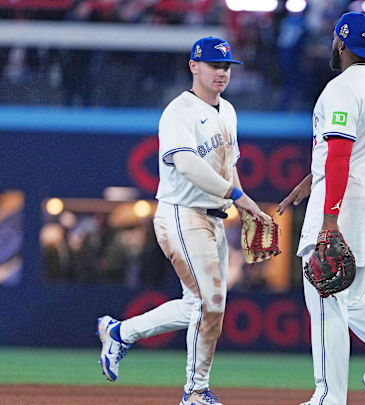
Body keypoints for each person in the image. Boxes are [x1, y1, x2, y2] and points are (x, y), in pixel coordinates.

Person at [96, 36, 268, 405]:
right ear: (194, 66)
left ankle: (119, 332)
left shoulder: (229, 111)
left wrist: (247, 205)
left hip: (215, 219)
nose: (222, 72)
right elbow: (188, 164)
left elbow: (228, 167)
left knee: (199, 304)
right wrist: (237, 196)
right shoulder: (179, 111)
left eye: (226, 66)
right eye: (213, 65)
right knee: (213, 301)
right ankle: (195, 392)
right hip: (180, 214)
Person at [277, 12, 365, 405]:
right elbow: (351, 151)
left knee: (325, 296)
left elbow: (340, 156)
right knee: (352, 297)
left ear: (340, 43)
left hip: (347, 203)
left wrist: (328, 219)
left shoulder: (341, 88)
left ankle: (328, 396)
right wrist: (310, 183)